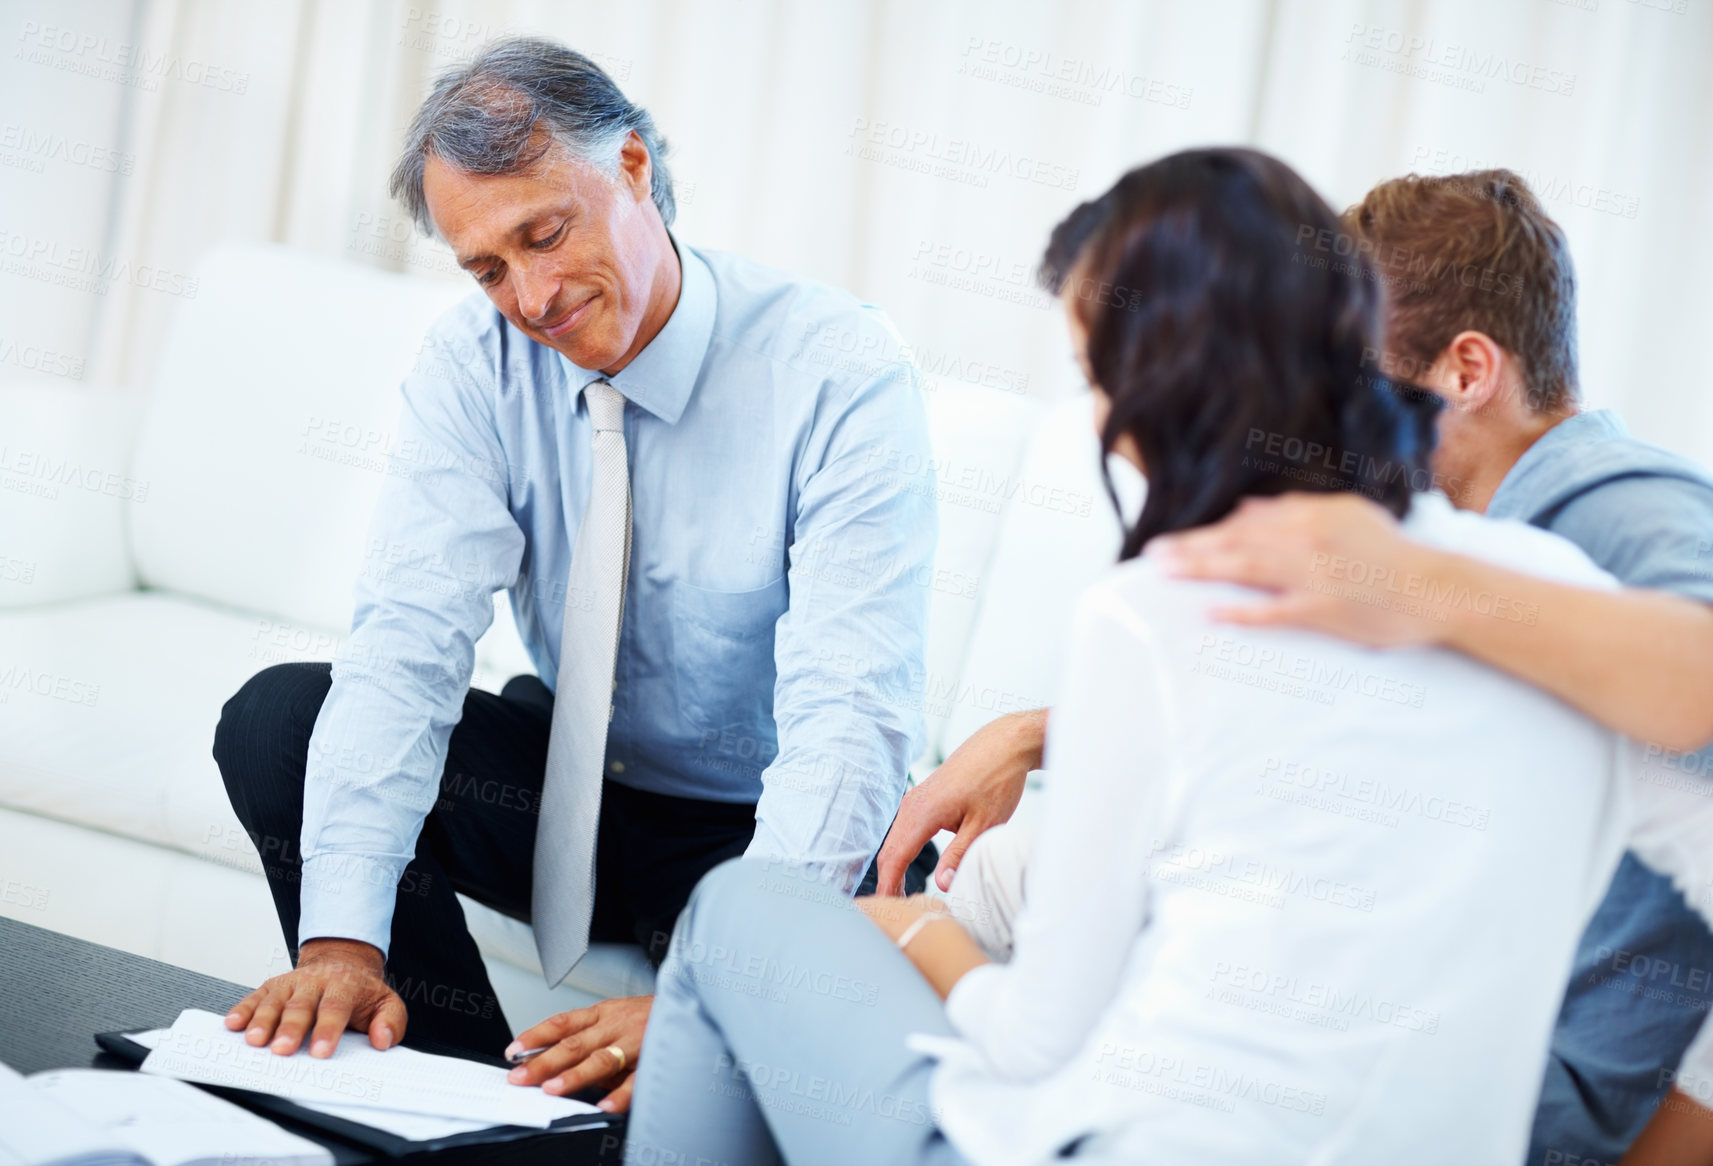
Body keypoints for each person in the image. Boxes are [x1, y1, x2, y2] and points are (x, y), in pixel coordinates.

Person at [622, 148, 1713, 1164]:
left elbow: (1041, 1043)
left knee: (743, 914)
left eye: (1098, 371)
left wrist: (913, 933)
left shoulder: (1166, 610)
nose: (1097, 413)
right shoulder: (1548, 601)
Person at [211, 36, 936, 1111]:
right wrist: (341, 942)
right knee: (278, 720)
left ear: (633, 171)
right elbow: (406, 644)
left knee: (881, 878)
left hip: (758, 819)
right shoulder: (473, 364)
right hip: (573, 793)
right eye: (488, 267)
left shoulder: (838, 370)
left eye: (545, 234)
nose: (534, 296)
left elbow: (849, 714)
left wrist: (715, 984)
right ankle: (466, 1111)